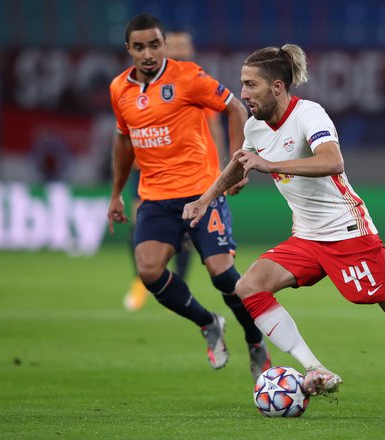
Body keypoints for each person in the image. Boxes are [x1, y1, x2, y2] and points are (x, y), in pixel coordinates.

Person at [183, 44, 385, 418]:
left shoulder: (309, 114)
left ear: (277, 87)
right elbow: (240, 162)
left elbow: (332, 160)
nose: (243, 93)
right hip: (307, 237)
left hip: (348, 233)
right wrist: (206, 198)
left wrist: (269, 163)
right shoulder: (254, 126)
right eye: (242, 85)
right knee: (249, 286)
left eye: (251, 85)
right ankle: (315, 368)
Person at [107, 13, 271, 380]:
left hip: (202, 192)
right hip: (155, 196)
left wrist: (235, 165)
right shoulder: (119, 89)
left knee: (222, 275)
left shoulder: (188, 77)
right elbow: (123, 140)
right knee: (148, 271)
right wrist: (117, 193)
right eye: (139, 47)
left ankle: (255, 340)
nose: (148, 53)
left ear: (163, 44)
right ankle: (208, 322)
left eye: (154, 45)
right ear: (128, 50)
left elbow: (234, 106)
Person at [123, 29, 226, 312]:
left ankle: (179, 283)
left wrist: (223, 169)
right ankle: (140, 280)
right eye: (176, 46)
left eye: (184, 46)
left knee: (187, 229)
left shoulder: (195, 81)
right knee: (138, 225)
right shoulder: (144, 81)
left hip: (190, 171)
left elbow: (215, 125)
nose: (180, 51)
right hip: (148, 169)